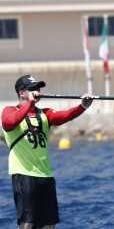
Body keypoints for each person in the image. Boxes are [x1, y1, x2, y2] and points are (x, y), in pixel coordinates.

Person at [1, 74, 94, 229]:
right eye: (32, 89)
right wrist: (30, 102)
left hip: (45, 175)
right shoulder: (10, 111)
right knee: (27, 222)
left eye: (37, 88)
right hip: (24, 175)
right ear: (21, 93)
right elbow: (9, 122)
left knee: (49, 223)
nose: (36, 90)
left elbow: (64, 116)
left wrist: (83, 106)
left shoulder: (44, 114)